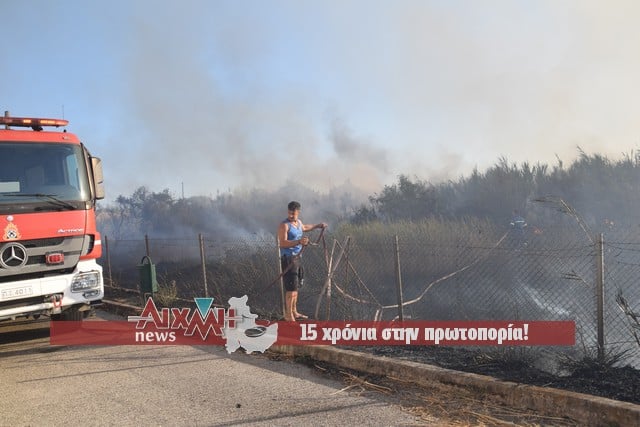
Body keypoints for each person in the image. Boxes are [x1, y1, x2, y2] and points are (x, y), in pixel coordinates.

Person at [277, 201, 327, 322]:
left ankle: (294, 311)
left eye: (293, 213)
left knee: (296, 286)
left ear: (298, 213)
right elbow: (282, 243)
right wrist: (298, 242)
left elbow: (305, 227)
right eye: (290, 213)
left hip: (298, 258)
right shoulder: (284, 225)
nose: (291, 215)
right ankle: (288, 315)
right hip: (288, 259)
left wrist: (317, 226)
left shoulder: (298, 223)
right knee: (290, 288)